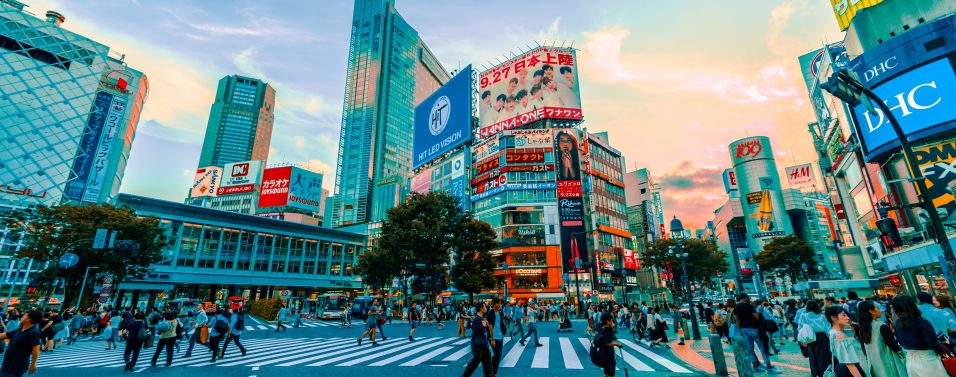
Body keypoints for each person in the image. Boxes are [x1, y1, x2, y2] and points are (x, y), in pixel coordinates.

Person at [892, 295, 947, 376]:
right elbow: (933, 344)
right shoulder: (922, 323)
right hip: (928, 360)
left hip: (910, 361)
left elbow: (900, 342)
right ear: (912, 305)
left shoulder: (897, 323)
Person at [734, 294, 782, 374]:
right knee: (762, 347)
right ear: (744, 298)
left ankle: (755, 365)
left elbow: (736, 319)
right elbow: (756, 317)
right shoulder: (749, 306)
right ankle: (769, 366)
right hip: (754, 328)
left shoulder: (736, 307)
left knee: (749, 348)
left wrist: (740, 330)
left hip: (744, 329)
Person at [857, 301, 905, 377]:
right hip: (888, 362)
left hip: (875, 365)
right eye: (878, 308)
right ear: (871, 311)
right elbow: (894, 346)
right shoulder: (881, 326)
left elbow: (864, 350)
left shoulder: (862, 328)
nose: (881, 310)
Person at [826, 306, 868, 377]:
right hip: (849, 371)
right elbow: (849, 362)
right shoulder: (840, 335)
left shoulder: (832, 332)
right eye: (843, 315)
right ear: (833, 318)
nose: (848, 318)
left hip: (842, 369)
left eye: (847, 315)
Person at [0, 311, 41, 376]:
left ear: (29, 319)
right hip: (8, 363)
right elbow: (4, 335)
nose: (21, 317)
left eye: (24, 316)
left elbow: (36, 348)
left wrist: (33, 364)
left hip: (16, 366)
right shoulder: (20, 330)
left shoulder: (33, 333)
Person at [798, 300, 833, 377]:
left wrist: (803, 341)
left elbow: (800, 328)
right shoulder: (822, 316)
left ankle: (816, 373)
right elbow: (828, 329)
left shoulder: (803, 316)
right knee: (825, 356)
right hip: (822, 338)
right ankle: (826, 373)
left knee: (813, 357)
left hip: (810, 338)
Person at [461, 302, 495, 377]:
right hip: (477, 345)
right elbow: (475, 330)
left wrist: (486, 325)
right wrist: (482, 326)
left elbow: (484, 330)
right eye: (485, 307)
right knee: (475, 362)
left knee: (488, 362)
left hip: (484, 344)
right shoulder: (476, 319)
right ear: (481, 308)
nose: (486, 308)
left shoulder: (483, 318)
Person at [595, 312, 624, 377]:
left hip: (603, 354)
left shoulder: (601, 328)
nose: (612, 322)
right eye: (611, 320)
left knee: (607, 373)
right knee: (610, 374)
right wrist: (617, 344)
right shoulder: (607, 330)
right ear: (607, 321)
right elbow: (608, 343)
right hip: (608, 355)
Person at [488, 299, 504, 375]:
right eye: (498, 303)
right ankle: (491, 370)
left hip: (500, 336)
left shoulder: (500, 312)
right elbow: (490, 326)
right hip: (494, 337)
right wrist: (492, 339)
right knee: (497, 355)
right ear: (494, 304)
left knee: (499, 355)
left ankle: (494, 373)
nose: (499, 305)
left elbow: (500, 323)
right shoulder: (491, 312)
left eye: (500, 303)